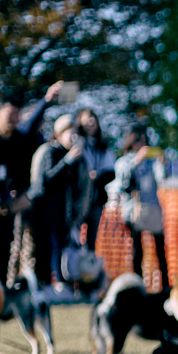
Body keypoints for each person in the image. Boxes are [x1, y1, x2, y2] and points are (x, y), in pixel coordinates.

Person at [0, 81, 63, 278]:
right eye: (9, 115)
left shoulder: (21, 140)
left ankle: (1, 290)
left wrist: (18, 199)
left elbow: (31, 127)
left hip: (9, 206)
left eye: (16, 116)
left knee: (4, 250)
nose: (13, 120)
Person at [25, 112, 89, 290]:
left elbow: (79, 186)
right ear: (59, 133)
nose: (74, 137)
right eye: (70, 132)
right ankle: (51, 282)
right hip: (47, 214)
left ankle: (65, 282)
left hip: (66, 215)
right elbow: (46, 179)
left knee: (64, 250)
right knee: (49, 250)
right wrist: (67, 161)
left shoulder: (77, 158)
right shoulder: (50, 151)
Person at [111, 127, 168, 288]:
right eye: (138, 141)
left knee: (160, 250)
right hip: (133, 211)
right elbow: (123, 184)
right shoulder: (124, 161)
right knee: (137, 252)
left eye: (144, 142)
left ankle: (165, 287)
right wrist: (136, 162)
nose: (142, 145)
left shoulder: (152, 162)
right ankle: (137, 285)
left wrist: (162, 163)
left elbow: (162, 179)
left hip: (153, 209)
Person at [73, 108, 118, 253]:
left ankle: (89, 268)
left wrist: (97, 177)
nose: (91, 122)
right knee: (74, 234)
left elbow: (110, 172)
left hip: (96, 197)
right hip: (78, 198)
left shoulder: (102, 146)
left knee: (93, 237)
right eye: (87, 119)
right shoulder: (76, 143)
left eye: (93, 119)